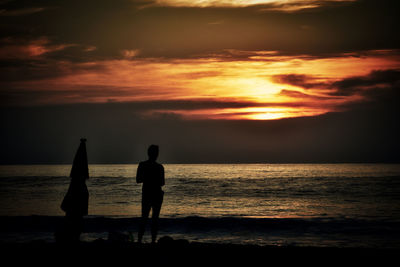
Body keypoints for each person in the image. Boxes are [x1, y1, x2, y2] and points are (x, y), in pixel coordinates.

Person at [58, 138, 89, 243]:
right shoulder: (78, 184)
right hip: (76, 207)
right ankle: (72, 238)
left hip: (73, 207)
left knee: (72, 222)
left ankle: (71, 237)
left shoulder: (75, 183)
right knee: (75, 223)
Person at [136, 144, 165, 244]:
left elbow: (138, 180)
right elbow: (162, 183)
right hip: (156, 194)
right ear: (156, 154)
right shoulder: (160, 167)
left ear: (148, 153)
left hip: (147, 194)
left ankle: (139, 240)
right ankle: (153, 240)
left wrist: (147, 178)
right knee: (155, 219)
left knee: (144, 217)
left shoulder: (142, 165)